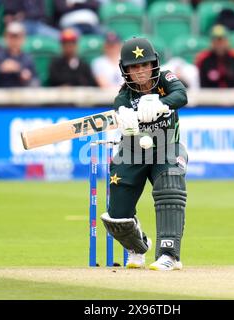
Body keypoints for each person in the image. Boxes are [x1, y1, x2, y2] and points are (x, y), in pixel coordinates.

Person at [100, 37, 188, 271]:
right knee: (117, 217)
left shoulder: (165, 78)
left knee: (170, 186)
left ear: (153, 64)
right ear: (126, 70)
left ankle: (169, 255)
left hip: (167, 147)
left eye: (144, 65)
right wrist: (123, 114)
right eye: (134, 67)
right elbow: (119, 106)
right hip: (132, 152)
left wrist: (162, 104)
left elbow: (181, 95)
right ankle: (138, 246)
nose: (140, 71)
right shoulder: (124, 95)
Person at [0, 22, 39, 87]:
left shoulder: (27, 59)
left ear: (23, 39)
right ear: (5, 37)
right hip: (0, 95)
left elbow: (36, 83)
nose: (14, 41)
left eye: (17, 37)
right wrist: (0, 70)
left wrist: (20, 71)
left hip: (22, 95)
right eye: (11, 37)